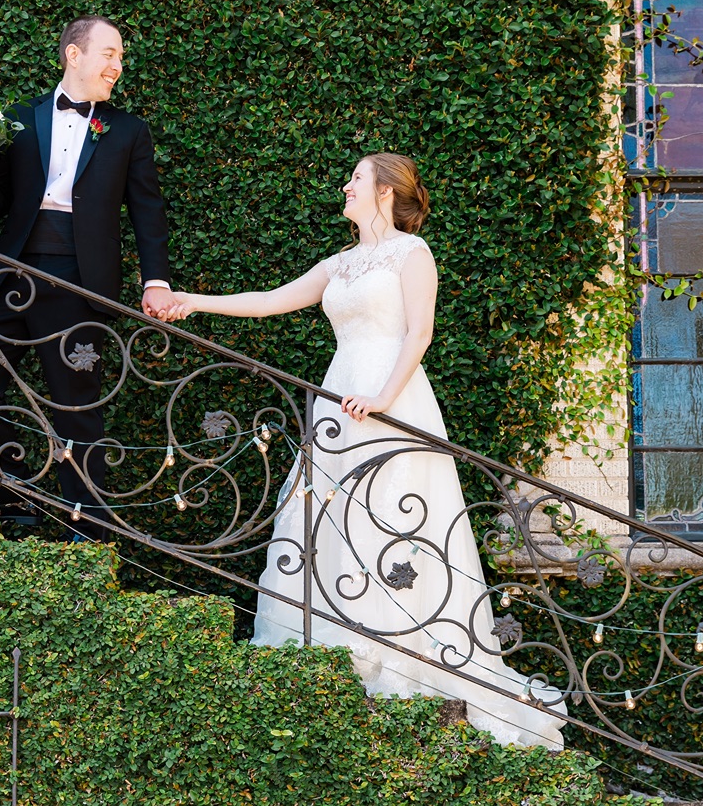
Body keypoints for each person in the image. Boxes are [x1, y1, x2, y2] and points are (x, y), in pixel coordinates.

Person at [159, 153, 566, 749]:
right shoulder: (339, 263)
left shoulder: (412, 254)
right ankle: (338, 646)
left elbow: (418, 333)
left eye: (355, 177)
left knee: (396, 520)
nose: (345, 185)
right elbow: (272, 298)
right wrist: (191, 301)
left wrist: (382, 396)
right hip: (338, 401)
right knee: (332, 515)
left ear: (384, 192)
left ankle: (405, 656)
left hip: (391, 399)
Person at [0, 15, 176, 542]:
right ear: (74, 54)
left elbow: (147, 210)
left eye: (120, 57)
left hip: (80, 279)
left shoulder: (128, 131)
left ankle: (88, 534)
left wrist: (154, 280)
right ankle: (16, 493)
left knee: (76, 410)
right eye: (109, 54)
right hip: (10, 271)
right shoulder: (18, 119)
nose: (118, 66)